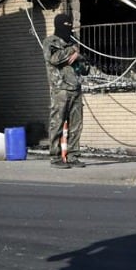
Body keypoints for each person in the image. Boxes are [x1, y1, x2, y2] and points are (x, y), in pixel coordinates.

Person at [43, 13, 89, 169]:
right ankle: (55, 157)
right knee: (57, 123)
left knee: (76, 125)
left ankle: (73, 155)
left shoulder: (73, 43)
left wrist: (80, 57)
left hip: (76, 89)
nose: (68, 28)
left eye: (70, 25)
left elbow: (85, 69)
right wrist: (72, 53)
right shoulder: (51, 42)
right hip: (60, 89)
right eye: (66, 25)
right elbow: (54, 59)